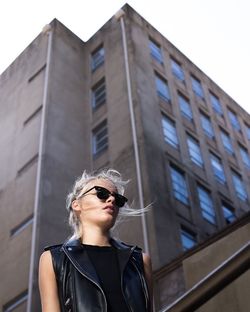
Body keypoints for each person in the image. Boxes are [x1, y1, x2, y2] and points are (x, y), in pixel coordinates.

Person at [39, 169, 153, 312]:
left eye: (117, 199)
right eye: (101, 193)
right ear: (76, 205)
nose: (111, 199)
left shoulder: (139, 261)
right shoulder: (54, 259)